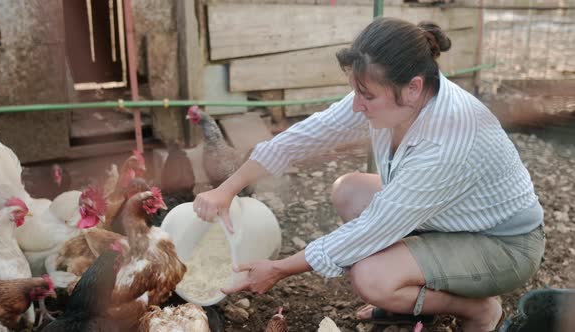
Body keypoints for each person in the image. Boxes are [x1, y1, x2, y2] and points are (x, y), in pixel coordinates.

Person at [192, 17, 545, 332]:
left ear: (413, 88)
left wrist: (279, 268)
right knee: (349, 191)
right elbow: (307, 135)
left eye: (367, 96)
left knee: (371, 276)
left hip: (502, 244)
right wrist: (228, 189)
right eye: (355, 91)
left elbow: (370, 230)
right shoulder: (389, 92)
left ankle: (480, 310)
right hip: (450, 219)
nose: (357, 105)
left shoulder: (447, 141)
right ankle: (412, 304)